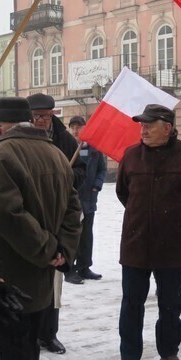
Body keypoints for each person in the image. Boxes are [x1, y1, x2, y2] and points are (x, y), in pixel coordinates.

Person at [0, 98, 80, 360]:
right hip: (43, 270)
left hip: (13, 271)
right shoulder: (55, 153)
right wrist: (62, 249)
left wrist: (46, 250)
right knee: (25, 347)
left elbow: (6, 214)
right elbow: (74, 208)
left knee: (14, 348)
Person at [115, 104, 181, 360]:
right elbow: (123, 193)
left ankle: (169, 353)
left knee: (171, 304)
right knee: (132, 303)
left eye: (149, 125)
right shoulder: (131, 156)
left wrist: (175, 218)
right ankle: (129, 358)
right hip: (136, 242)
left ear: (167, 127)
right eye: (141, 125)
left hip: (174, 243)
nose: (142, 129)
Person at [27, 93, 85, 355]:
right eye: (37, 116)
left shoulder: (65, 140)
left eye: (46, 116)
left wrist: (65, 178)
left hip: (56, 216)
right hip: (29, 218)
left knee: (53, 284)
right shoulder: (22, 139)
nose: (41, 120)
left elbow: (80, 171)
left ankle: (49, 334)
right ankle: (29, 332)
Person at [65, 115, 106, 285]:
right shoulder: (67, 147)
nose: (75, 130)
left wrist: (97, 185)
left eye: (79, 126)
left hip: (89, 199)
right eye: (72, 127)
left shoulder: (94, 149)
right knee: (72, 234)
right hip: (72, 199)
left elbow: (102, 170)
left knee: (87, 235)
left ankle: (84, 267)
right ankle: (69, 269)